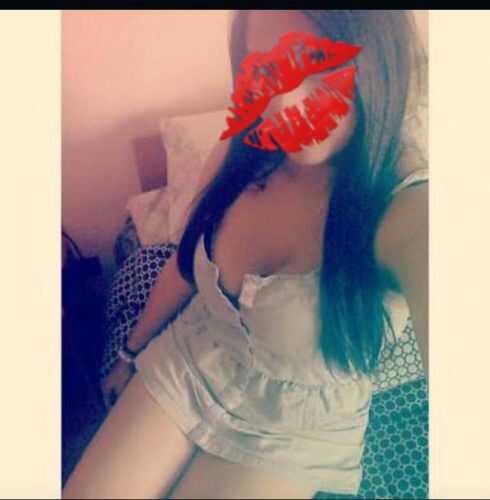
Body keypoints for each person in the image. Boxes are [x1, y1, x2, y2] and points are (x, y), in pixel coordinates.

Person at [63, 9, 428, 499]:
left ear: (380, 63)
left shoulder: (406, 206)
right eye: (266, 69)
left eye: (318, 64)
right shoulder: (244, 148)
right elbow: (183, 263)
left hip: (292, 427)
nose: (284, 103)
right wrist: (130, 354)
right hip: (192, 358)